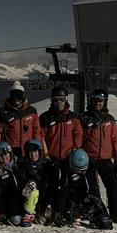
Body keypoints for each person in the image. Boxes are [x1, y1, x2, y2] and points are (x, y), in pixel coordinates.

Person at [80, 89, 117, 223]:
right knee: (93, 188)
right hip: (89, 159)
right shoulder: (84, 118)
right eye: (96, 100)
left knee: (114, 187)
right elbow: (79, 138)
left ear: (105, 102)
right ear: (91, 101)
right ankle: (97, 213)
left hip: (105, 159)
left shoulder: (109, 119)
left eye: (101, 101)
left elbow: (115, 140)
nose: (98, 103)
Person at [38, 85, 83, 222]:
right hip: (52, 157)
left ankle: (63, 210)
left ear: (66, 100)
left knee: (66, 185)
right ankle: (49, 209)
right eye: (56, 100)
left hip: (68, 157)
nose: (59, 103)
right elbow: (40, 136)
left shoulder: (73, 117)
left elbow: (78, 134)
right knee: (51, 185)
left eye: (62, 99)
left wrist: (75, 150)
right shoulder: (46, 117)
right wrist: (45, 154)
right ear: (52, 100)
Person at [54, 149, 113, 230]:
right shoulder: (67, 172)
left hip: (91, 200)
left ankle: (92, 216)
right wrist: (59, 213)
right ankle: (74, 215)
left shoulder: (92, 168)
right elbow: (64, 193)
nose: (80, 172)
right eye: (77, 170)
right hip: (74, 201)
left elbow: (95, 192)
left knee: (106, 224)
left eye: (82, 170)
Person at [0, 82, 42, 157]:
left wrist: (37, 147)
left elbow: (36, 130)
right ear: (10, 97)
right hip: (10, 152)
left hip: (28, 151)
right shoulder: (4, 112)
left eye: (18, 97)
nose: (16, 100)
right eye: (14, 96)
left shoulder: (31, 111)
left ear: (22, 96)